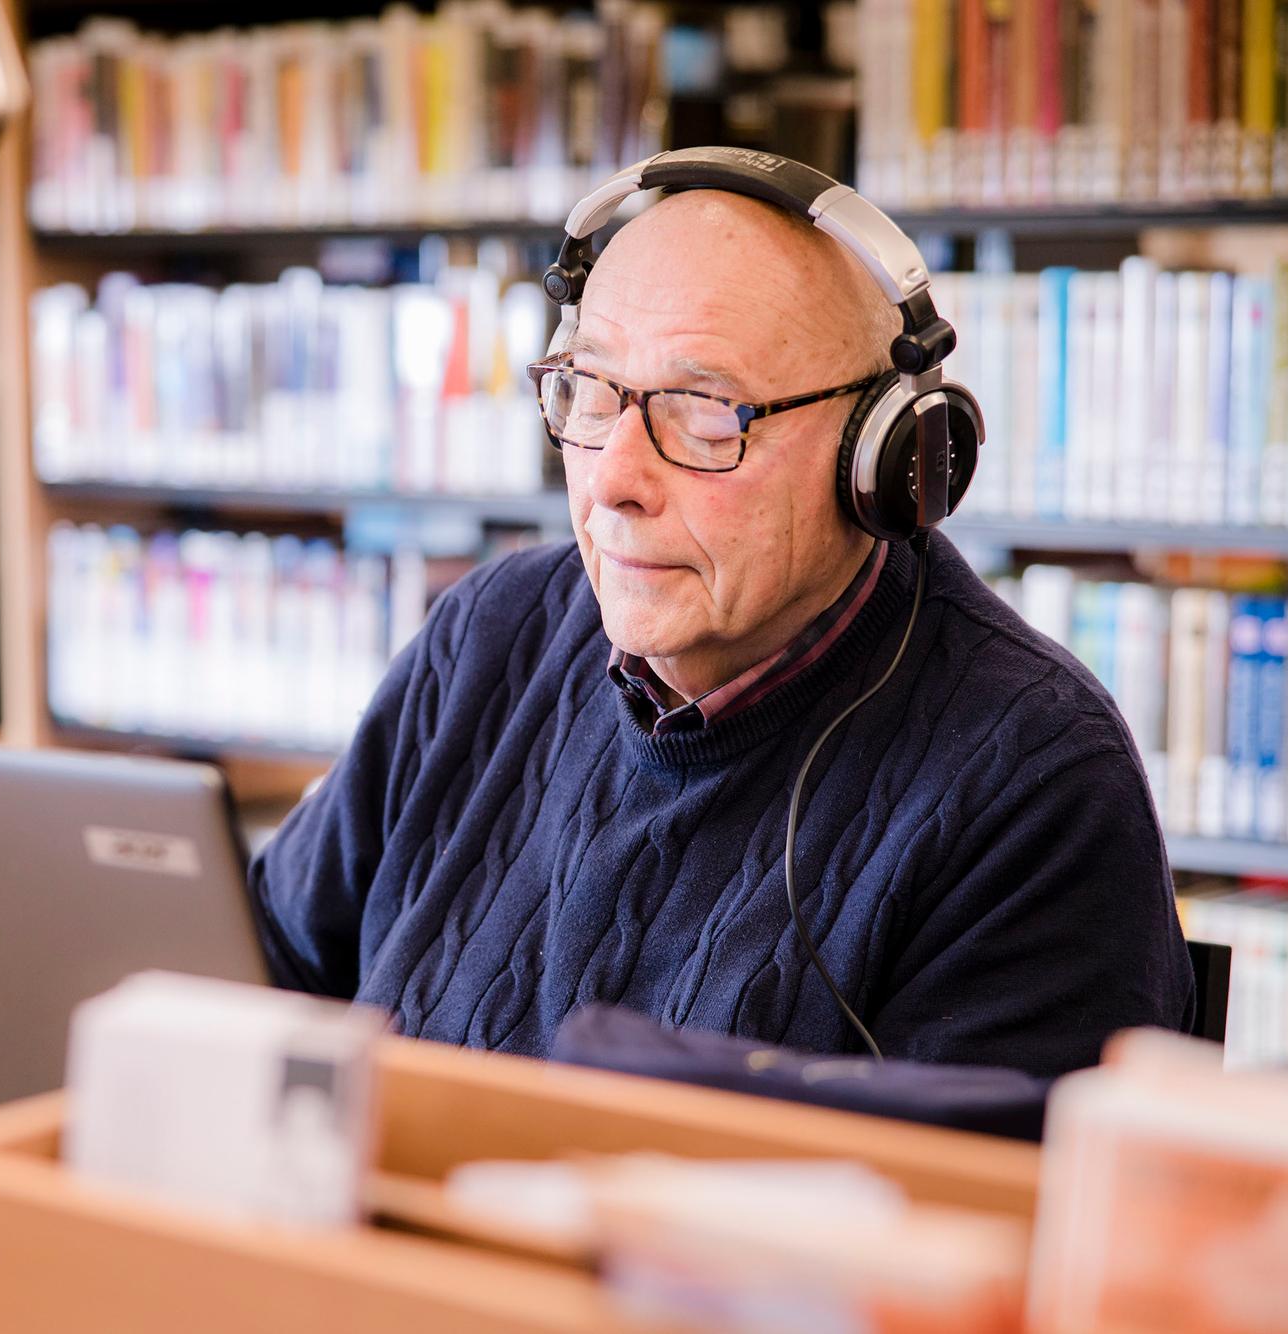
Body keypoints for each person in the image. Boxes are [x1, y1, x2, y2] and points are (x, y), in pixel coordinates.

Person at [247, 175, 1193, 1080]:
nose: (614, 479)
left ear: (884, 458)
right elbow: (260, 965)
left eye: (705, 415)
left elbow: (976, 1220)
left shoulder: (1033, 781)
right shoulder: (491, 636)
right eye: (589, 391)